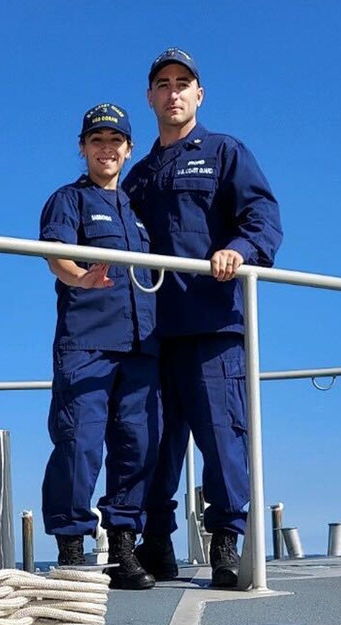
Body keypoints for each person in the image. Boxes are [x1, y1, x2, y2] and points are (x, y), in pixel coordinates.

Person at [123, 48, 283, 588]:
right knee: (149, 443)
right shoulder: (136, 177)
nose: (173, 92)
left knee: (221, 438)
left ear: (199, 94)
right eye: (163, 84)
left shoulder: (224, 153)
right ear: (150, 97)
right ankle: (156, 544)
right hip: (149, 334)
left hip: (212, 326)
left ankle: (226, 544)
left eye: (182, 83)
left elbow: (262, 218)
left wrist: (239, 249)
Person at [39, 103, 159, 590]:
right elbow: (56, 255)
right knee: (79, 443)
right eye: (97, 141)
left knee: (139, 444)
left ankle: (124, 547)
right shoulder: (68, 199)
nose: (106, 149)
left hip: (141, 345)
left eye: (115, 141)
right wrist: (80, 279)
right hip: (87, 342)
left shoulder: (138, 211)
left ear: (128, 150)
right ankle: (72, 549)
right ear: (83, 148)